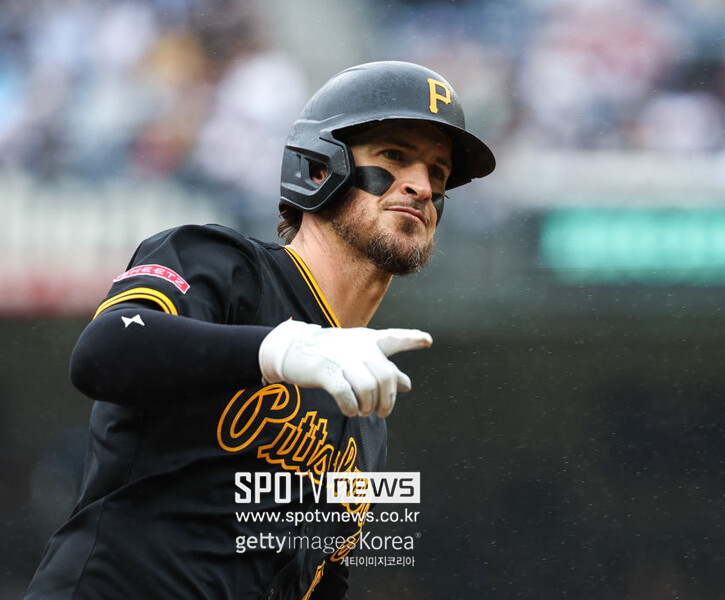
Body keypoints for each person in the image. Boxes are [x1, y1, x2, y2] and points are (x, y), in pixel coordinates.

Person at [25, 60, 495, 600]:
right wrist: (283, 347)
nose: (422, 185)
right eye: (393, 156)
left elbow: (317, 583)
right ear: (319, 168)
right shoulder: (223, 263)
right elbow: (104, 350)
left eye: (438, 173)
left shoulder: (365, 416)